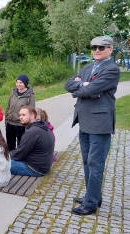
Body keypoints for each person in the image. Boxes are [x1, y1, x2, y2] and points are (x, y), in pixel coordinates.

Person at [64, 36, 120, 216]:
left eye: (101, 47)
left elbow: (91, 90)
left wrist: (82, 88)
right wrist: (82, 83)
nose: (97, 50)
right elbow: (67, 84)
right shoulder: (88, 67)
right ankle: (93, 195)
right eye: (94, 47)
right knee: (87, 162)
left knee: (95, 164)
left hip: (100, 124)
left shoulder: (111, 69)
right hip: (85, 122)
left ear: (110, 49)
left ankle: (90, 204)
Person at [10, 106, 54, 177]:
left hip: (35, 168)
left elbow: (19, 154)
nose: (20, 117)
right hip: (43, 166)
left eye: (23, 115)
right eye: (20, 115)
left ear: (32, 116)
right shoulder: (41, 126)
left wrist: (7, 155)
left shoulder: (32, 132)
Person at [4, 74, 35, 151]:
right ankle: (11, 161)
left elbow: (31, 111)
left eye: (21, 82)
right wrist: (6, 121)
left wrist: (28, 126)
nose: (18, 84)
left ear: (25, 83)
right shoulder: (13, 92)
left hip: (21, 125)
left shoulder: (30, 95)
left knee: (21, 146)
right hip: (10, 123)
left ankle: (19, 162)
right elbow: (8, 107)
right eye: (17, 82)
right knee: (10, 146)